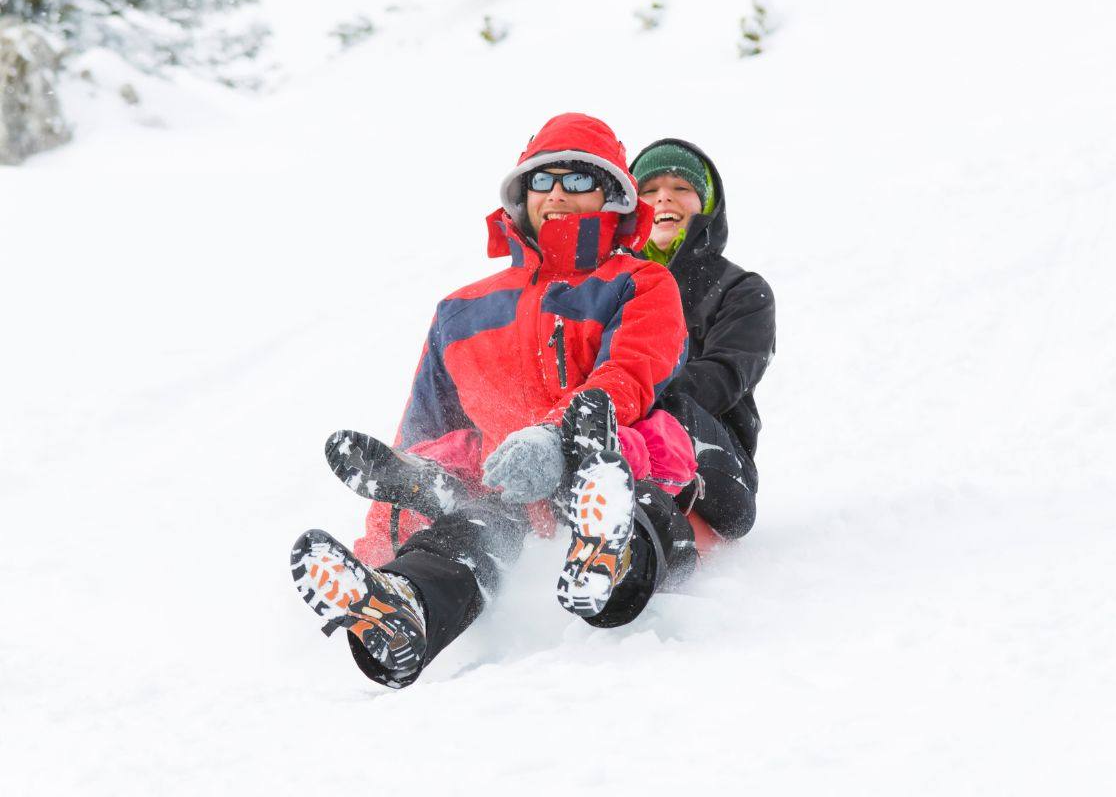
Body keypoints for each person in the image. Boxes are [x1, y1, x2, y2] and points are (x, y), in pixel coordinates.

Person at [289, 114, 700, 689]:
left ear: (611, 195)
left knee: (618, 488)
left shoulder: (640, 284)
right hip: (503, 496)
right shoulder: (461, 310)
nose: (557, 193)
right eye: (542, 180)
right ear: (521, 195)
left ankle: (609, 560)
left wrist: (556, 440)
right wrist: (382, 547)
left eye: (580, 181)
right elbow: (423, 435)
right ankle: (405, 606)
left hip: (606, 467)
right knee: (467, 532)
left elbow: (630, 374)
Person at [631, 139, 776, 541]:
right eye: (648, 190)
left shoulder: (741, 290)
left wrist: (631, 393)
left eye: (681, 188)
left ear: (707, 205)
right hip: (624, 445)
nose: (664, 198)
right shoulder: (611, 287)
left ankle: (671, 550)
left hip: (712, 461)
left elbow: (726, 376)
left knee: (669, 412)